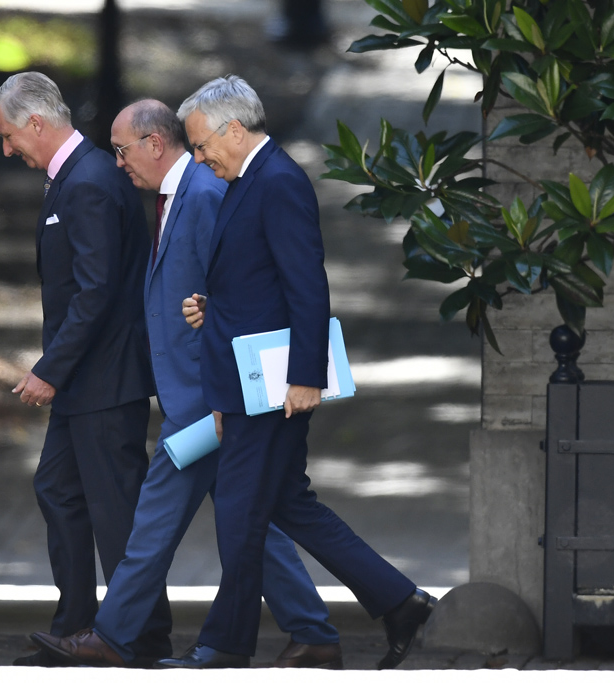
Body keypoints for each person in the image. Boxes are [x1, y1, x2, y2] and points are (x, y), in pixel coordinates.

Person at [30, 99, 343, 669]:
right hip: (199, 393)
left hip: (206, 397)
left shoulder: (201, 193)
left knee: (155, 519)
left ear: (154, 144)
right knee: (251, 521)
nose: (118, 163)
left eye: (123, 151)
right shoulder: (180, 194)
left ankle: (114, 635)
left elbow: (235, 292)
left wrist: (224, 391)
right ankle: (314, 630)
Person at [156, 75, 435, 670]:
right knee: (286, 503)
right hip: (254, 378)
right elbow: (259, 277)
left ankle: (224, 646)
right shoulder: (248, 177)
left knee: (238, 513)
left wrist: (306, 376)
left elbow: (307, 286)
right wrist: (214, 307)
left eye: (203, 145)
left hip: (274, 386)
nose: (200, 159)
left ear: (234, 129)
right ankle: (400, 601)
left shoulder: (278, 180)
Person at [0, 72, 172, 666]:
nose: (7, 148)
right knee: (59, 490)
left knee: (115, 507)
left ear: (36, 123)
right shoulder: (75, 176)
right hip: (87, 380)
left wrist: (50, 369)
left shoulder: (88, 181)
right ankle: (77, 627)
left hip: (102, 378)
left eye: (10, 135)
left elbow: (94, 294)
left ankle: (138, 635)